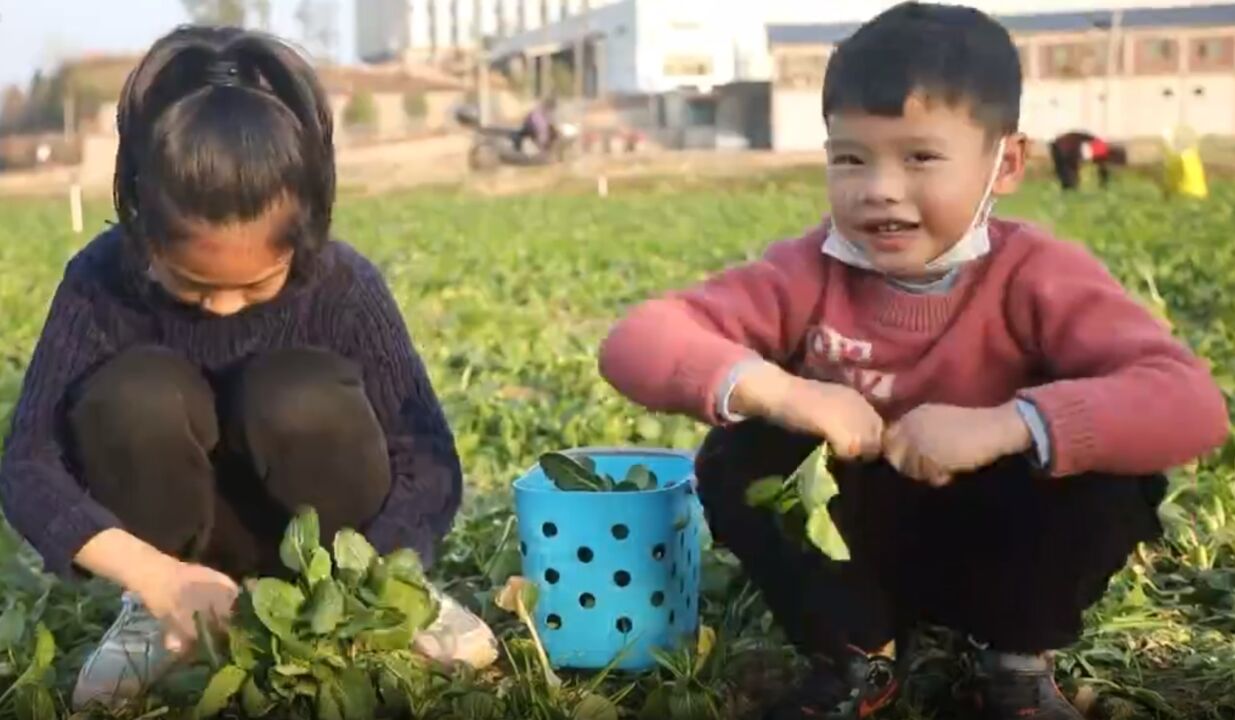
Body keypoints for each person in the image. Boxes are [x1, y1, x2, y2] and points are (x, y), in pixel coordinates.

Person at [598, 4, 1228, 720]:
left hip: (1007, 549)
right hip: (859, 554)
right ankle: (857, 658)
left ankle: (1016, 662)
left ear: (1007, 162)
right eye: (850, 158)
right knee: (739, 450)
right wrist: (785, 393)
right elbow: (637, 340)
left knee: (1115, 471)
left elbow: (1190, 404)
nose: (879, 188)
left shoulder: (1039, 274)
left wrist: (1007, 424)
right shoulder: (806, 273)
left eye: (919, 157)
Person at [0, 26, 497, 711]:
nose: (226, 307)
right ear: (142, 225)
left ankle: (384, 600)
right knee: (134, 392)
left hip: (333, 549)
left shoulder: (342, 287)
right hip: (173, 556)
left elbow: (430, 459)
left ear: (307, 231)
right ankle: (158, 619)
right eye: (193, 287)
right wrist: (155, 575)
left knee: (296, 392)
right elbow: (28, 463)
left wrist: (379, 569)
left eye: (258, 286)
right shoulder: (99, 284)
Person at [1049, 130, 1126, 191]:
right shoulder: (1101, 149)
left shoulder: (1098, 145)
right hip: (1069, 149)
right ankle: (1070, 186)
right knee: (1069, 169)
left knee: (1065, 169)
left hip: (1062, 145)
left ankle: (1068, 186)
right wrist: (1103, 182)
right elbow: (1101, 168)